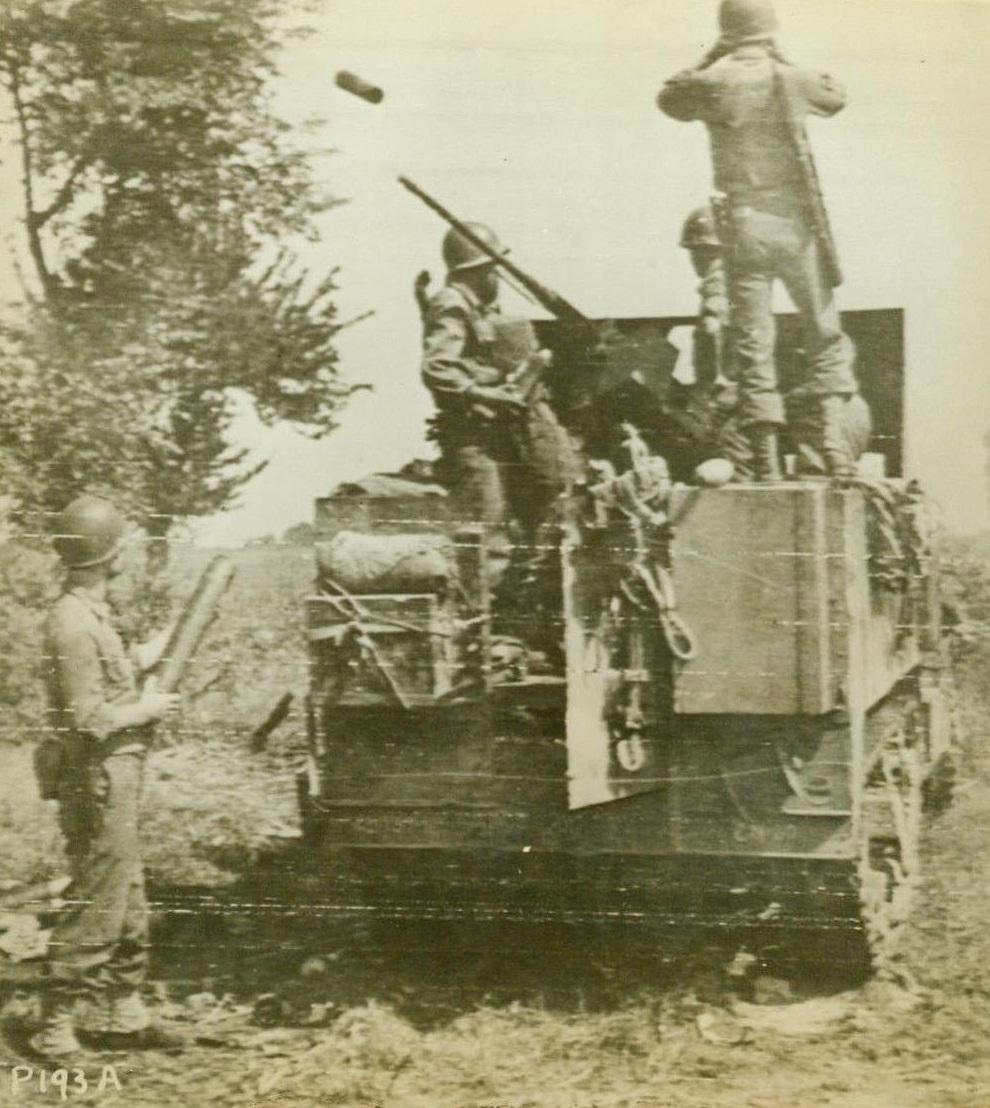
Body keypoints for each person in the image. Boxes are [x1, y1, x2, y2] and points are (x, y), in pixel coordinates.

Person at [657, 0, 861, 480]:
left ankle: (766, 462)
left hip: (743, 225)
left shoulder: (711, 82)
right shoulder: (792, 78)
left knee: (753, 345)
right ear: (769, 29)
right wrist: (783, 58)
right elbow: (836, 97)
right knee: (824, 333)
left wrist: (713, 56)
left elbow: (668, 97)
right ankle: (834, 447)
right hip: (794, 223)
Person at [14, 495, 184, 1064]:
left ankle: (119, 1012)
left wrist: (141, 659)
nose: (129, 552)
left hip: (116, 773)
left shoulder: (92, 614)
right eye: (124, 544)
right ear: (106, 553)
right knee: (98, 899)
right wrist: (148, 708)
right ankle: (54, 1027)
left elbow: (107, 679)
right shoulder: (71, 626)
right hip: (97, 778)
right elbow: (89, 719)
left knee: (128, 895)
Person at [419, 222, 576, 585]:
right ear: (479, 271)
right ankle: (480, 635)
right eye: (494, 270)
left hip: (497, 436)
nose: (498, 279)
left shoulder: (478, 309)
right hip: (473, 440)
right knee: (490, 543)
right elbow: (436, 369)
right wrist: (487, 394)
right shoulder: (453, 303)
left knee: (531, 525)